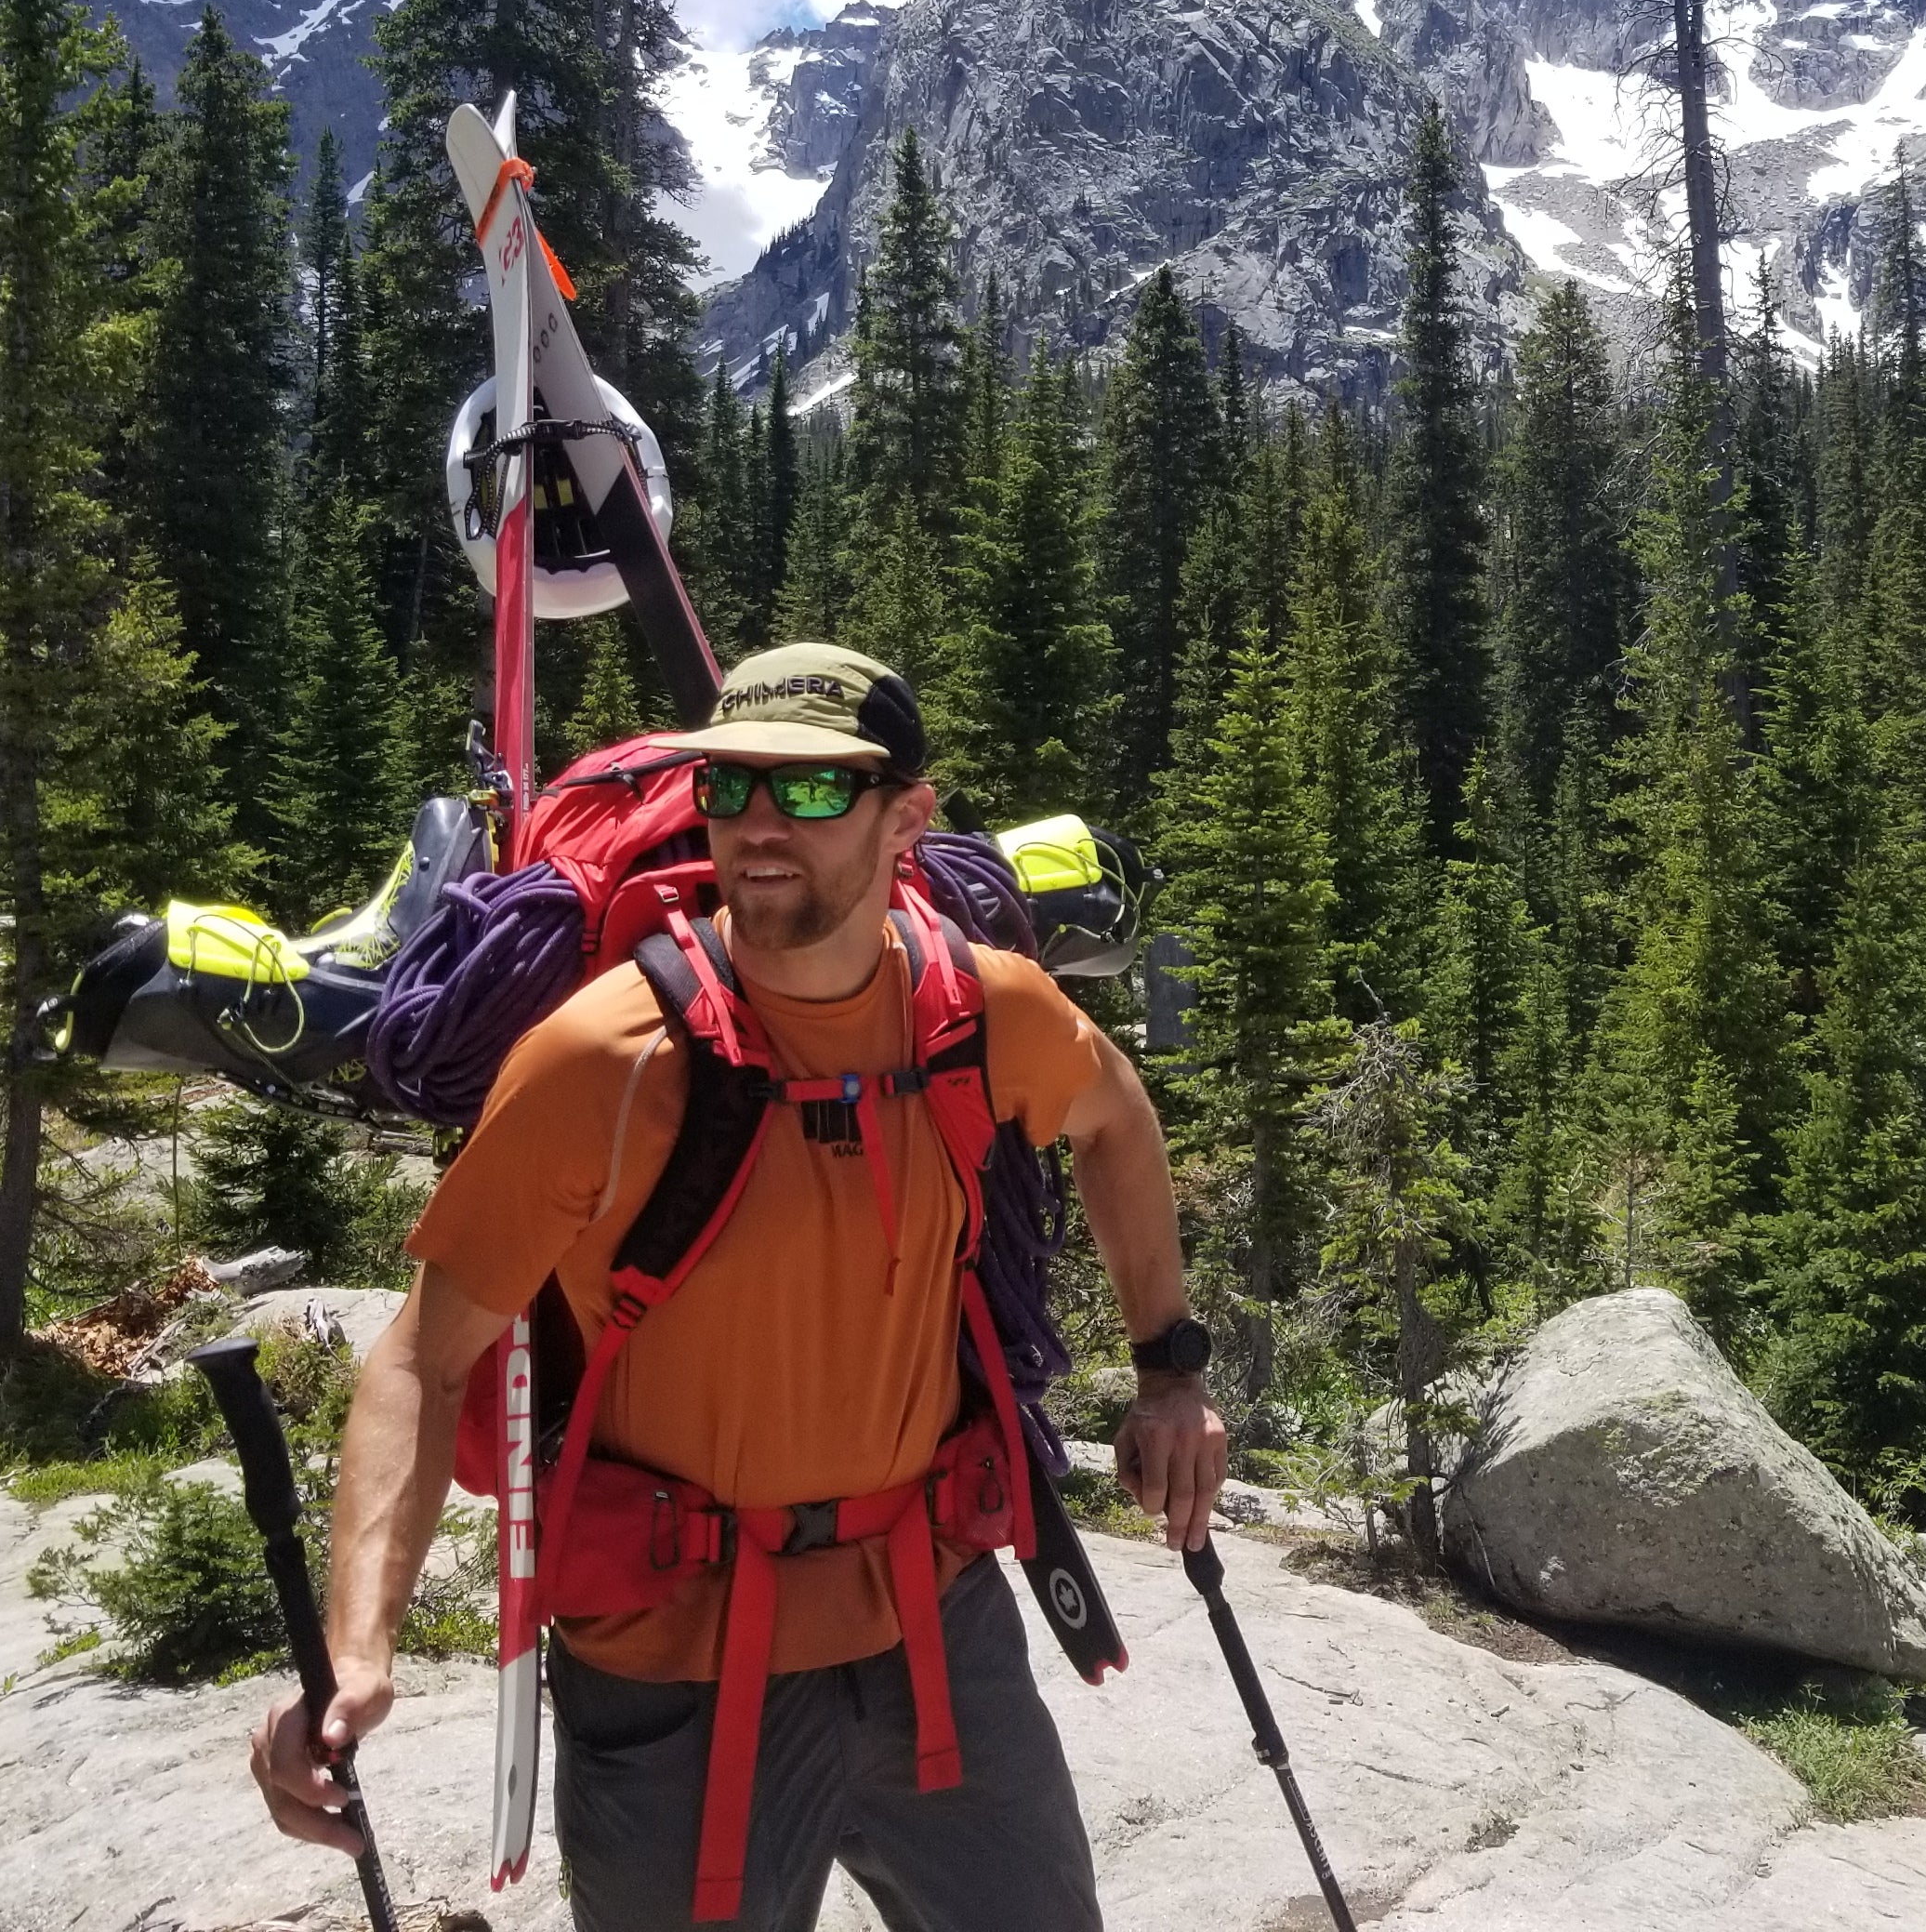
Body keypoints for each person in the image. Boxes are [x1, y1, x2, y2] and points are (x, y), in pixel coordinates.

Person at [249, 642, 1230, 1930]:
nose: (761, 829)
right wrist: (361, 1647)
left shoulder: (981, 1011)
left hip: (935, 1628)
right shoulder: (604, 1059)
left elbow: (1115, 1118)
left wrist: (1171, 1372)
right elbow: (424, 1358)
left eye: (813, 793)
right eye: (731, 789)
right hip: (678, 1676)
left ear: (906, 818)